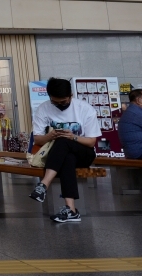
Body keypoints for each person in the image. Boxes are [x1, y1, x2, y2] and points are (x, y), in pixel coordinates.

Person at [28, 77, 101, 223]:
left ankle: (43, 185)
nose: (59, 105)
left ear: (71, 96)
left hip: (84, 153)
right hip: (60, 155)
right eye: (55, 102)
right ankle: (71, 210)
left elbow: (91, 142)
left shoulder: (85, 109)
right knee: (68, 158)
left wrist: (72, 137)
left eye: (63, 102)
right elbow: (37, 140)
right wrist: (50, 135)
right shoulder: (43, 109)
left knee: (63, 141)